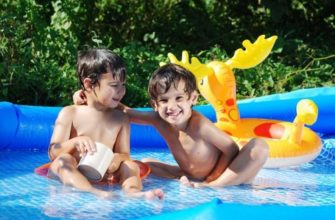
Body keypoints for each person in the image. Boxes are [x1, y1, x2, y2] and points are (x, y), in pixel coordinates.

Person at [74, 63, 268, 188]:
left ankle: (215, 187)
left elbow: (231, 149)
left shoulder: (198, 124)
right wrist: (88, 96)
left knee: (259, 147)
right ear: (155, 105)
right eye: (164, 100)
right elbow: (125, 112)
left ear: (192, 98)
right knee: (146, 163)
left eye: (179, 98)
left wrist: (213, 179)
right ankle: (183, 179)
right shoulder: (159, 120)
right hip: (190, 175)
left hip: (228, 175)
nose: (171, 107)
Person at [48, 48, 164, 199]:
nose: (121, 91)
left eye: (123, 85)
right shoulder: (71, 113)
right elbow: (53, 152)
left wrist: (116, 161)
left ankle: (134, 192)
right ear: (89, 85)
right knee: (63, 160)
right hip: (73, 171)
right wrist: (75, 142)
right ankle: (92, 191)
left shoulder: (121, 119)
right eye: (114, 85)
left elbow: (125, 154)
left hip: (103, 173)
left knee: (130, 166)